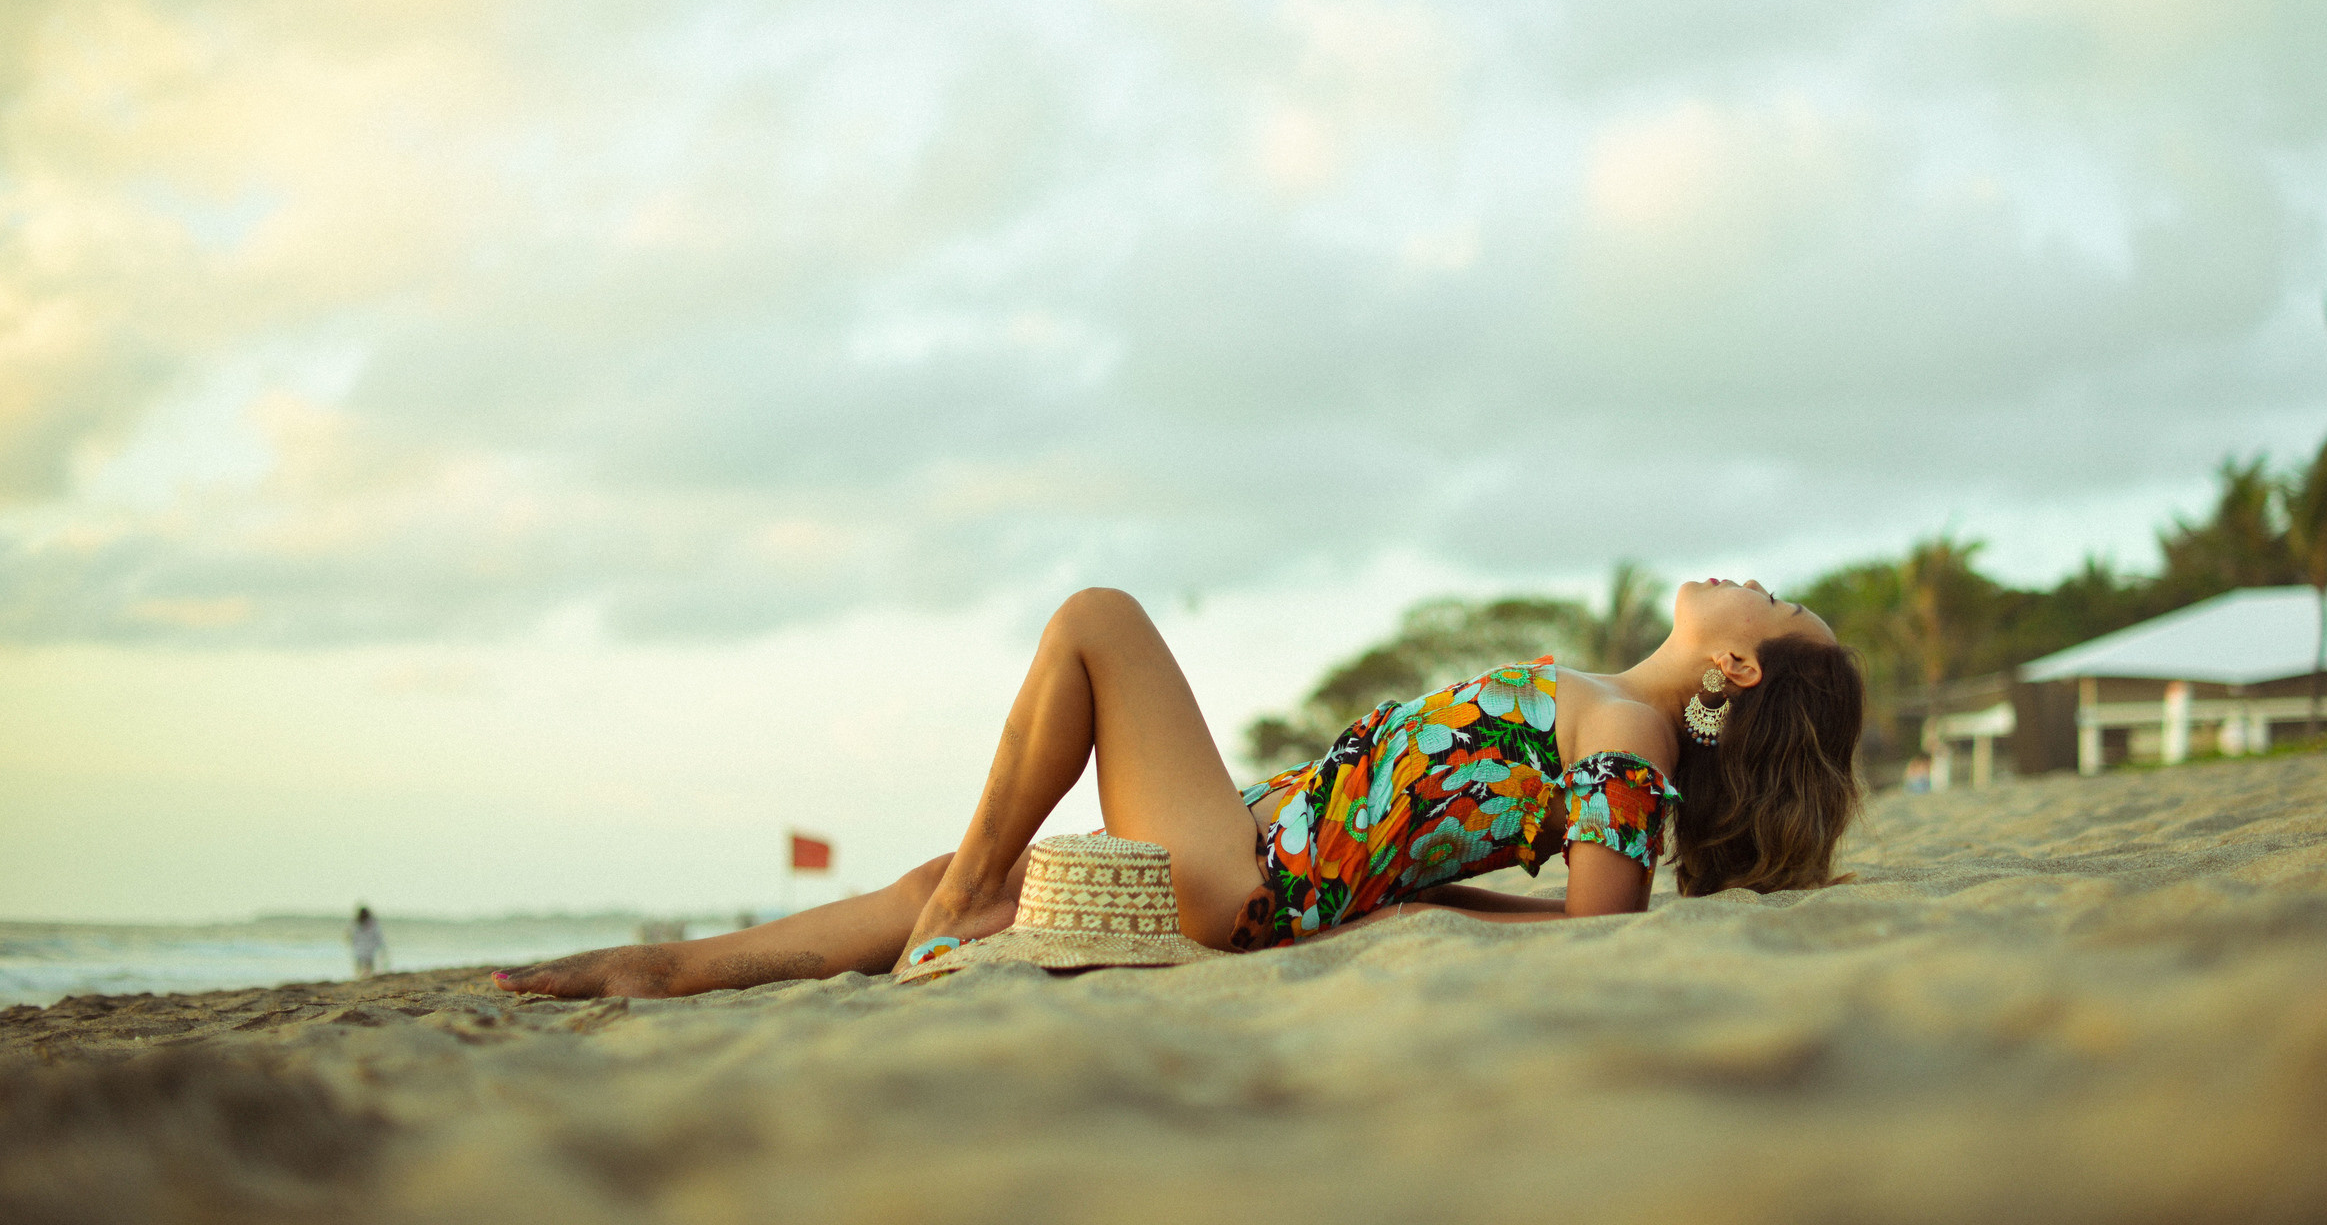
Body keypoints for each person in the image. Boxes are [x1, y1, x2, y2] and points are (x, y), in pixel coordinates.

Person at [493, 577, 1865, 998]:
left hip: (1251, 882)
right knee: (924, 887)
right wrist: (1419, 893)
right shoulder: (1612, 711)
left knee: (1098, 622)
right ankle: (661, 971)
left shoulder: (1624, 740)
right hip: (1251, 855)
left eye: (1778, 605)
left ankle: (970, 888)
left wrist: (1416, 919)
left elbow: (1598, 933)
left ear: (1737, 667)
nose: (1757, 579)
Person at [349, 905, 387, 977]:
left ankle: (360, 978)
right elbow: (378, 936)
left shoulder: (356, 923)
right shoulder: (372, 923)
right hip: (368, 949)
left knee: (360, 967)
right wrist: (382, 947)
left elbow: (351, 936)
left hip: (360, 949)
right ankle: (365, 978)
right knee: (368, 967)